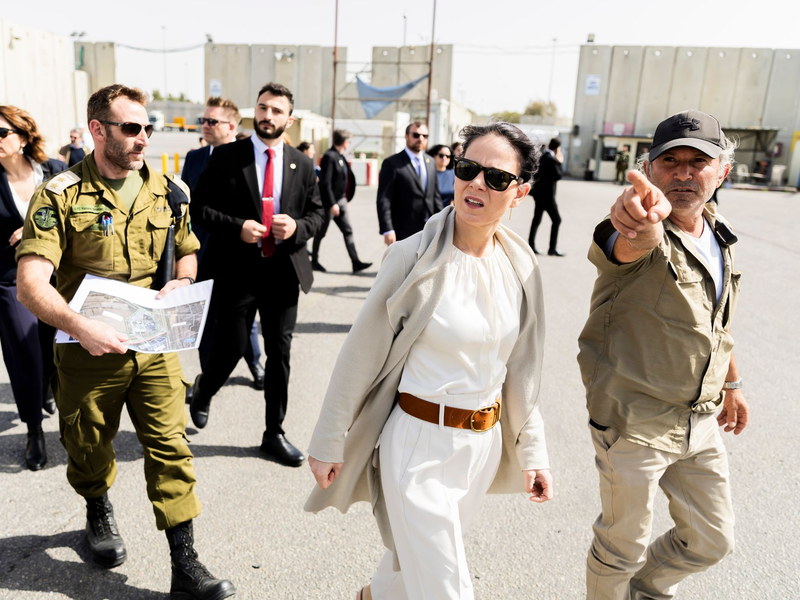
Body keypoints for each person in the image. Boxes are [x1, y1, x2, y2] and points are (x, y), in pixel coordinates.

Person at [307, 121, 554, 600]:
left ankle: (374, 596)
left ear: (520, 193)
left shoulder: (520, 265)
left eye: (496, 178)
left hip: (479, 450)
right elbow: (360, 352)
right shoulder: (411, 258)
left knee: (411, 569)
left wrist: (533, 451)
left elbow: (520, 369)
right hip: (417, 447)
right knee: (447, 588)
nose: (476, 183)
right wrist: (328, 438)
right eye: (467, 168)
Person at [15, 84, 235, 600]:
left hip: (153, 344)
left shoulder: (169, 190)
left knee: (171, 447)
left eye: (147, 128)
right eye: (131, 128)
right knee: (88, 446)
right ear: (98, 130)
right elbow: (30, 284)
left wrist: (183, 279)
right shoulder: (60, 194)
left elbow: (187, 249)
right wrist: (81, 327)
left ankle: (185, 563)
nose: (144, 139)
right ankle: (97, 506)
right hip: (86, 349)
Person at [577, 110, 748, 599]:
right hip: (635, 422)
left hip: (700, 419)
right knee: (621, 548)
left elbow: (717, 321)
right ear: (648, 170)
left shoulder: (718, 231)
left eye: (699, 162)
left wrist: (732, 384)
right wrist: (638, 225)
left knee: (712, 541)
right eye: (670, 161)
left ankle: (644, 591)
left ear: (722, 173)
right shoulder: (640, 225)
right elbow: (628, 242)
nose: (683, 173)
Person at [188, 82, 324, 468]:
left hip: (283, 271)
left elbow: (316, 213)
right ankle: (204, 389)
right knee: (230, 348)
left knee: (279, 352)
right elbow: (200, 209)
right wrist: (238, 228)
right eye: (263, 108)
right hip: (238, 270)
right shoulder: (227, 156)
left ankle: (273, 433)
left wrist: (297, 227)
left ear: (289, 120)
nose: (267, 115)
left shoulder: (302, 164)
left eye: (276, 110)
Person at [182, 96, 265, 390]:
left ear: (231, 126)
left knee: (242, 320)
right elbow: (187, 208)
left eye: (211, 121)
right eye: (202, 120)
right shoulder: (194, 158)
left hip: (237, 254)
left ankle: (255, 363)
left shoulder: (250, 159)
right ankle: (207, 380)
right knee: (203, 318)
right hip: (201, 251)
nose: (204, 125)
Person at [0, 105, 65, 471]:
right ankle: (34, 430)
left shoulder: (54, 171)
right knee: (24, 352)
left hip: (58, 275)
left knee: (55, 346)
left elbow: (77, 212)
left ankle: (47, 387)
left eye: (1, 133)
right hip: (9, 280)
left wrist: (33, 229)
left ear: (23, 137)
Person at [311, 130, 371, 273]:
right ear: (344, 142)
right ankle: (314, 261)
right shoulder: (329, 156)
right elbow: (326, 182)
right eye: (348, 141)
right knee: (321, 232)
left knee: (347, 231)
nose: (349, 144)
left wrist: (345, 199)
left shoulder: (340, 156)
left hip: (341, 201)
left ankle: (355, 262)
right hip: (330, 203)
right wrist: (332, 203)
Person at [376, 121, 442, 245]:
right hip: (403, 230)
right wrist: (387, 229)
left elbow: (435, 196)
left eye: (424, 136)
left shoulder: (431, 162)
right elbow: (384, 199)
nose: (420, 139)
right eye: (416, 135)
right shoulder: (392, 163)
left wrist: (443, 222)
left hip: (430, 229)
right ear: (406, 136)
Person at [528, 137, 565, 256]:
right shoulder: (551, 159)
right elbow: (558, 175)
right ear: (557, 148)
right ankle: (552, 248)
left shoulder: (543, 156)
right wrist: (560, 162)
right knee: (557, 220)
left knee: (536, 219)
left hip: (539, 194)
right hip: (547, 196)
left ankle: (531, 245)